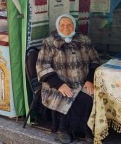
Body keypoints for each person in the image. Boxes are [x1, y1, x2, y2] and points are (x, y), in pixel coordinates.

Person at [36, 14, 100, 144]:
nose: (66, 28)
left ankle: (85, 129)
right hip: (56, 84)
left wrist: (89, 79)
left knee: (88, 97)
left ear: (74, 26)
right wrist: (59, 84)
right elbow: (42, 66)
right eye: (62, 25)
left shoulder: (84, 41)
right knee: (69, 95)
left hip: (82, 82)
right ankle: (63, 129)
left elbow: (95, 61)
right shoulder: (49, 43)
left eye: (69, 24)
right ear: (58, 27)